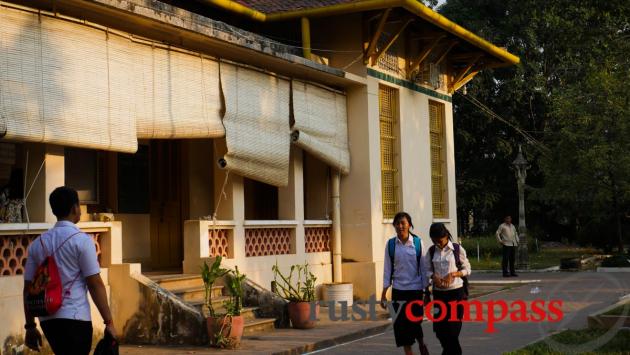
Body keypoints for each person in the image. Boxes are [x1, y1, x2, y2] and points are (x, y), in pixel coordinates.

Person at [23, 186, 117, 354]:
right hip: (76, 317)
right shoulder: (82, 241)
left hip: (48, 319)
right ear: (75, 208)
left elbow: (28, 289)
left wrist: (30, 326)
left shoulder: (37, 244)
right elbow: (95, 284)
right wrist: (109, 322)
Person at [381, 212, 431, 355]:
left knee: (414, 323)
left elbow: (423, 268)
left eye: (403, 223)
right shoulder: (391, 244)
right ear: (394, 226)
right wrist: (384, 293)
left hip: (415, 290)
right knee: (401, 328)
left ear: (409, 225)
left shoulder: (417, 242)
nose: (400, 226)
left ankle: (421, 342)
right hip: (398, 290)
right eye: (397, 223)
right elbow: (387, 269)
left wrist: (427, 291)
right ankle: (409, 352)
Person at [428, 223, 471, 355]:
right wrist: (433, 277)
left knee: (452, 332)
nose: (438, 244)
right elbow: (425, 270)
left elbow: (467, 269)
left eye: (439, 241)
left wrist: (453, 274)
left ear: (446, 236)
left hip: (455, 294)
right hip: (439, 295)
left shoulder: (457, 249)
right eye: (434, 241)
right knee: (440, 332)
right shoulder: (431, 251)